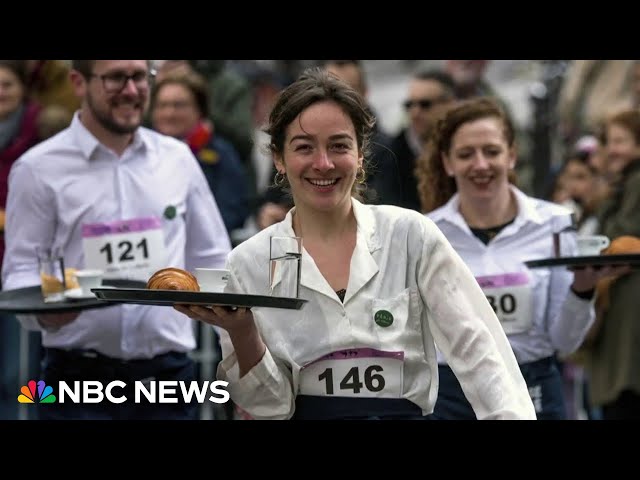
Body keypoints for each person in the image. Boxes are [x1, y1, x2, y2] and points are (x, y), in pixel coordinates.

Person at [174, 68, 536, 420]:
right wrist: (242, 331)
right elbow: (269, 407)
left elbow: (478, 350)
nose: (324, 163)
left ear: (361, 155)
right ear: (279, 159)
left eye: (339, 145)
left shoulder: (410, 235)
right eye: (304, 147)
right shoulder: (249, 262)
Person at [1, 60, 232, 420]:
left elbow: (214, 256)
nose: (130, 90)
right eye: (115, 78)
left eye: (140, 77)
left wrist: (235, 345)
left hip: (168, 377)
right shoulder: (38, 169)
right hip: (74, 380)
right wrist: (48, 314)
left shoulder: (177, 159)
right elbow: (20, 272)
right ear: (79, 82)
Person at [419, 97, 627, 419]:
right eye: (465, 154)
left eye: (491, 151)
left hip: (533, 387)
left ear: (511, 155)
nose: (481, 164)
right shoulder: (425, 232)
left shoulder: (554, 224)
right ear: (447, 163)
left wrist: (582, 290)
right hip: (453, 393)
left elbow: (565, 342)